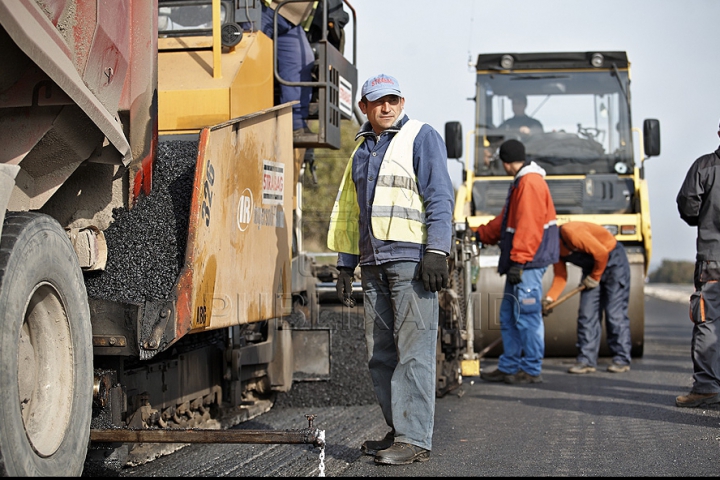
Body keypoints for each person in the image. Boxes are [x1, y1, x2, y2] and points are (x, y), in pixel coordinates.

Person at [327, 74, 454, 465]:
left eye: (393, 100)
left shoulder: (421, 136)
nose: (386, 107)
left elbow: (439, 196)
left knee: (413, 351)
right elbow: (351, 213)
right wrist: (346, 265)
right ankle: (399, 430)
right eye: (377, 101)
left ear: (402, 102)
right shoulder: (360, 151)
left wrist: (437, 251)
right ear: (363, 107)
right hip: (372, 263)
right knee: (379, 353)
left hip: (411, 263)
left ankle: (414, 438)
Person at [473, 139, 559, 384]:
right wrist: (479, 234)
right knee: (509, 315)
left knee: (527, 315)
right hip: (521, 263)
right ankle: (510, 366)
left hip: (527, 264)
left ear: (505, 162)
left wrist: (519, 261)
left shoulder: (530, 183)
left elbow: (529, 226)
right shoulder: (522, 182)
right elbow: (506, 222)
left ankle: (531, 370)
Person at [542, 221, 632, 374]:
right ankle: (586, 360)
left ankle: (621, 359)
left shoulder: (571, 233)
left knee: (614, 314)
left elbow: (601, 253)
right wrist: (549, 299)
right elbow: (560, 276)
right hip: (592, 270)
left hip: (614, 262)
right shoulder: (554, 250)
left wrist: (595, 277)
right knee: (586, 314)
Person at [674, 120, 720, 408]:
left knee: (708, 320)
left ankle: (706, 388)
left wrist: (704, 218)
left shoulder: (705, 167)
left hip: (713, 258)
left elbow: (688, 206)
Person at [260, 1, 315, 134]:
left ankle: (295, 122)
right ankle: (245, 116)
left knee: (303, 60)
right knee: (250, 54)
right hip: (263, 8)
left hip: (291, 19)